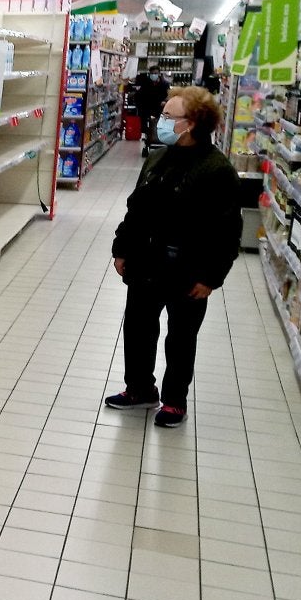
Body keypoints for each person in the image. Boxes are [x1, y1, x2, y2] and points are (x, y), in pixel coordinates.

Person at [105, 86, 241, 428]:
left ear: (192, 123)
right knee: (138, 327)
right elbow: (136, 209)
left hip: (188, 270)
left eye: (169, 116)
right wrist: (121, 248)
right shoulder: (157, 157)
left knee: (181, 338)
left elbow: (228, 232)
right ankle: (139, 388)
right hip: (145, 263)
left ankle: (174, 401)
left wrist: (212, 277)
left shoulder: (217, 170)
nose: (161, 121)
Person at [129, 63, 169, 156]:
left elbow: (168, 96)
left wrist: (165, 102)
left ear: (159, 74)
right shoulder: (145, 83)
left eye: (155, 73)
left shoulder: (164, 84)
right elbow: (139, 96)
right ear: (149, 74)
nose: (153, 75)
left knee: (159, 127)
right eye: (152, 73)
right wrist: (140, 106)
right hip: (147, 109)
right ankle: (148, 142)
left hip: (160, 109)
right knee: (148, 128)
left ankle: (160, 141)